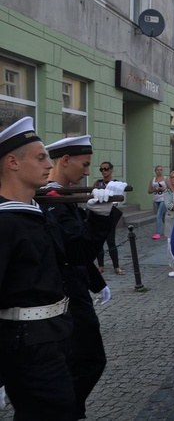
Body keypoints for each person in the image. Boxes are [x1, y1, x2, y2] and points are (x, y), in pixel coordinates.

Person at [0, 117, 77, 419]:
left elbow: (74, 259)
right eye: (41, 157)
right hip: (26, 345)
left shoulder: (36, 212)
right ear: (12, 163)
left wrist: (100, 216)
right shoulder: (5, 221)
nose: (50, 164)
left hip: (54, 335)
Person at [42, 134, 124, 420]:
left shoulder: (61, 196)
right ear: (65, 160)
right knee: (89, 361)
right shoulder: (50, 200)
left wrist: (97, 283)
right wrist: (101, 216)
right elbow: (75, 250)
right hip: (65, 297)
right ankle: (67, 411)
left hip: (76, 290)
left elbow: (77, 252)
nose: (88, 171)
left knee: (83, 361)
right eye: (85, 164)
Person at [94, 161, 125, 275]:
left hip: (111, 212)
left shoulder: (116, 183)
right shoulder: (98, 183)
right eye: (101, 169)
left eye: (106, 169)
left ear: (111, 169)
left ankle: (116, 266)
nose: (104, 171)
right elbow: (92, 196)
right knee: (99, 240)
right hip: (99, 213)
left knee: (110, 239)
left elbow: (119, 198)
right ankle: (100, 265)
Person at [149, 165, 167, 239]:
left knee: (159, 215)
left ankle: (157, 233)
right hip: (156, 199)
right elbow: (149, 191)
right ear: (155, 171)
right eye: (158, 170)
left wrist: (163, 189)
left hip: (164, 199)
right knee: (163, 216)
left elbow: (170, 189)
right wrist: (154, 190)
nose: (159, 171)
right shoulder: (152, 180)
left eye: (161, 170)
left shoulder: (165, 179)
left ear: (162, 171)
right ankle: (170, 229)